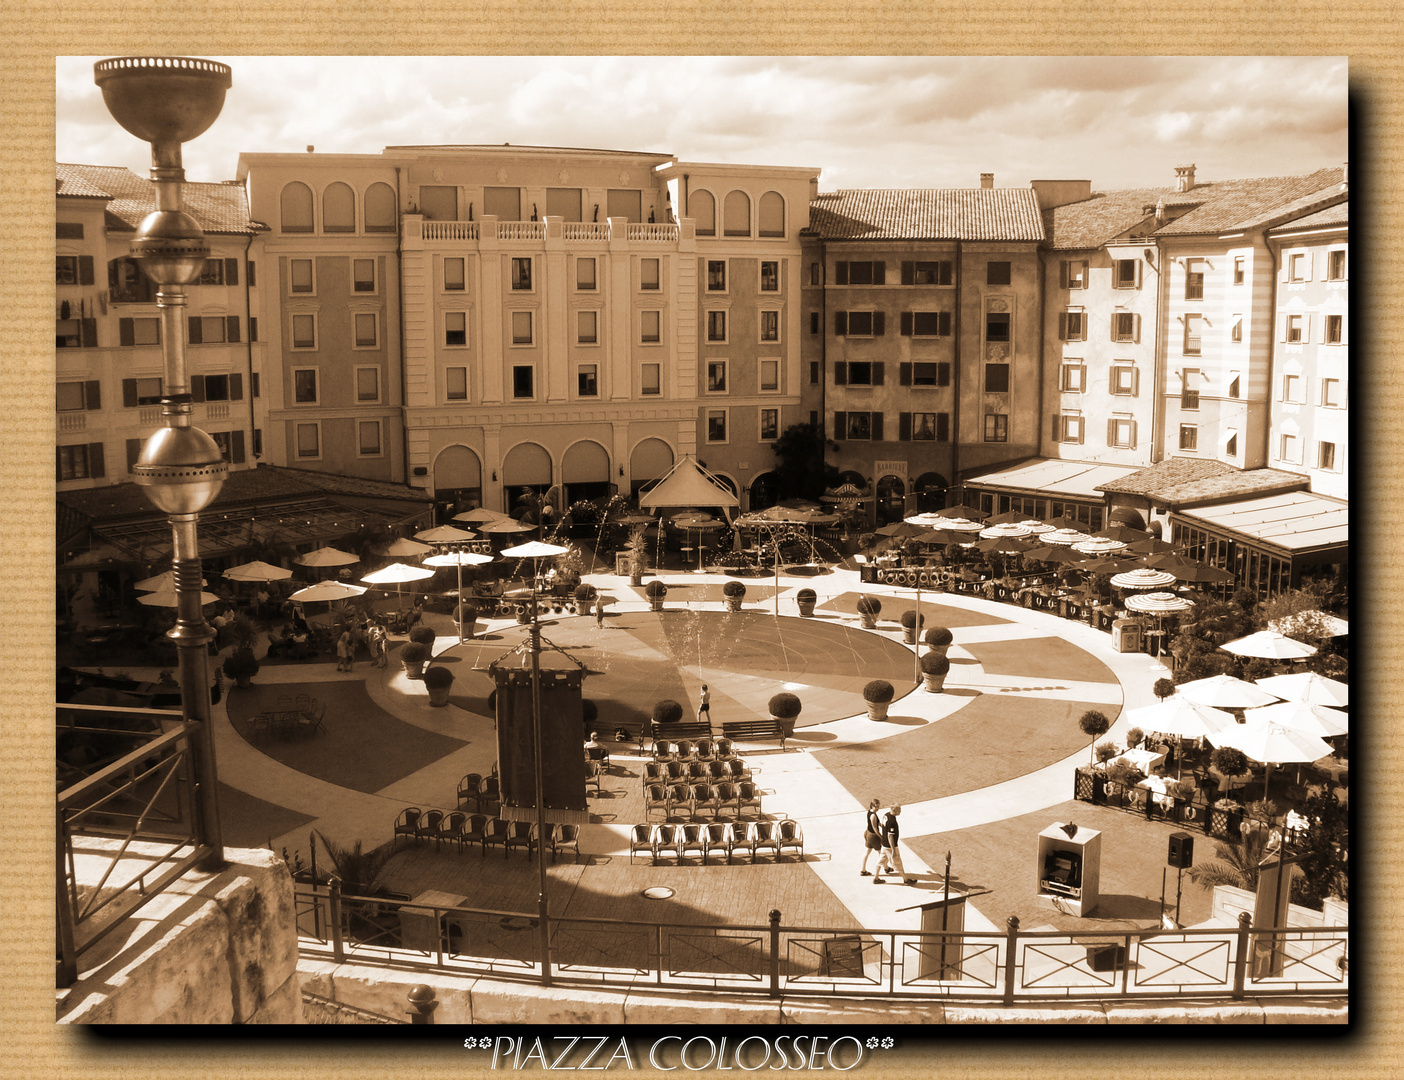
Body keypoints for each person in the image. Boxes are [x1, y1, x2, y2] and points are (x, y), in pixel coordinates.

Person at [873, 804, 916, 885]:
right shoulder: (892, 821)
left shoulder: (886, 815)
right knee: (897, 862)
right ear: (894, 810)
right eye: (899, 809)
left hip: (884, 843)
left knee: (880, 861)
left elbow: (883, 826)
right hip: (889, 846)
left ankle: (876, 878)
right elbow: (890, 836)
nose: (900, 811)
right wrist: (893, 850)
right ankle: (906, 880)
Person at [860, 798, 884, 877]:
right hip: (873, 836)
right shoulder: (873, 815)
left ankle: (863, 870)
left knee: (866, 853)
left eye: (878, 806)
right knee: (881, 853)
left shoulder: (870, 812)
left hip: (867, 833)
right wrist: (881, 837)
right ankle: (886, 868)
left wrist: (881, 825)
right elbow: (875, 828)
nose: (877, 808)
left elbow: (876, 824)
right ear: (872, 806)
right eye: (876, 806)